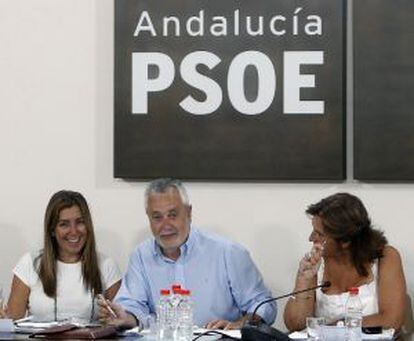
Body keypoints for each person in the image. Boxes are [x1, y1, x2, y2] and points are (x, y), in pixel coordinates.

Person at [99, 178, 276, 330]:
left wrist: (240, 324)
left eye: (172, 215)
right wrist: (125, 316)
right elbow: (132, 306)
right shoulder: (141, 256)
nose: (165, 225)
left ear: (189, 213)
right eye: (157, 217)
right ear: (148, 217)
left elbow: (263, 305)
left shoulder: (227, 253)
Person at [284, 193, 406, 332]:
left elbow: (392, 320)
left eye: (319, 234)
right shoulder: (316, 263)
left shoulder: (386, 257)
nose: (311, 238)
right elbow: (295, 325)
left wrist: (338, 327)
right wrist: (303, 281)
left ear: (345, 241)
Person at [0, 190, 122, 322]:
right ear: (52, 230)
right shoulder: (29, 264)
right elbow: (12, 324)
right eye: (64, 224)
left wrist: (111, 320)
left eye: (80, 222)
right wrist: (4, 320)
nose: (74, 231)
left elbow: (121, 323)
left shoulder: (106, 265)